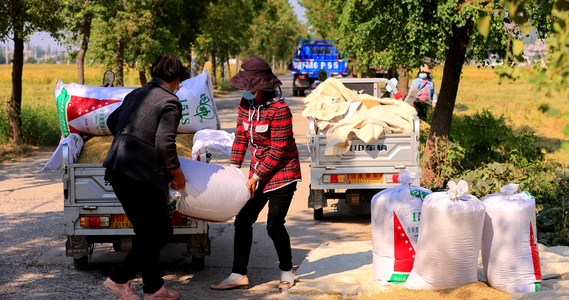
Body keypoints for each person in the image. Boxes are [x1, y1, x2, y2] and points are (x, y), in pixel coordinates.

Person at [211, 57, 302, 290]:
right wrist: (233, 169)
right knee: (243, 221)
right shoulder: (245, 104)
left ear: (260, 85)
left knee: (274, 225)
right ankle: (238, 273)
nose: (245, 90)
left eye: (248, 86)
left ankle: (286, 269)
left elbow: (279, 150)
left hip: (282, 174)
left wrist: (255, 177)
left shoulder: (280, 109)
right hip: (257, 173)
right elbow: (241, 138)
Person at [102, 53, 187, 300]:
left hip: (117, 170)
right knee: (160, 232)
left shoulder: (135, 94)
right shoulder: (170, 101)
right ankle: (119, 279)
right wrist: (177, 173)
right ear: (177, 79)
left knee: (147, 233)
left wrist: (130, 137)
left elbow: (111, 122)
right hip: (140, 175)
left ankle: (154, 288)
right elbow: (164, 144)